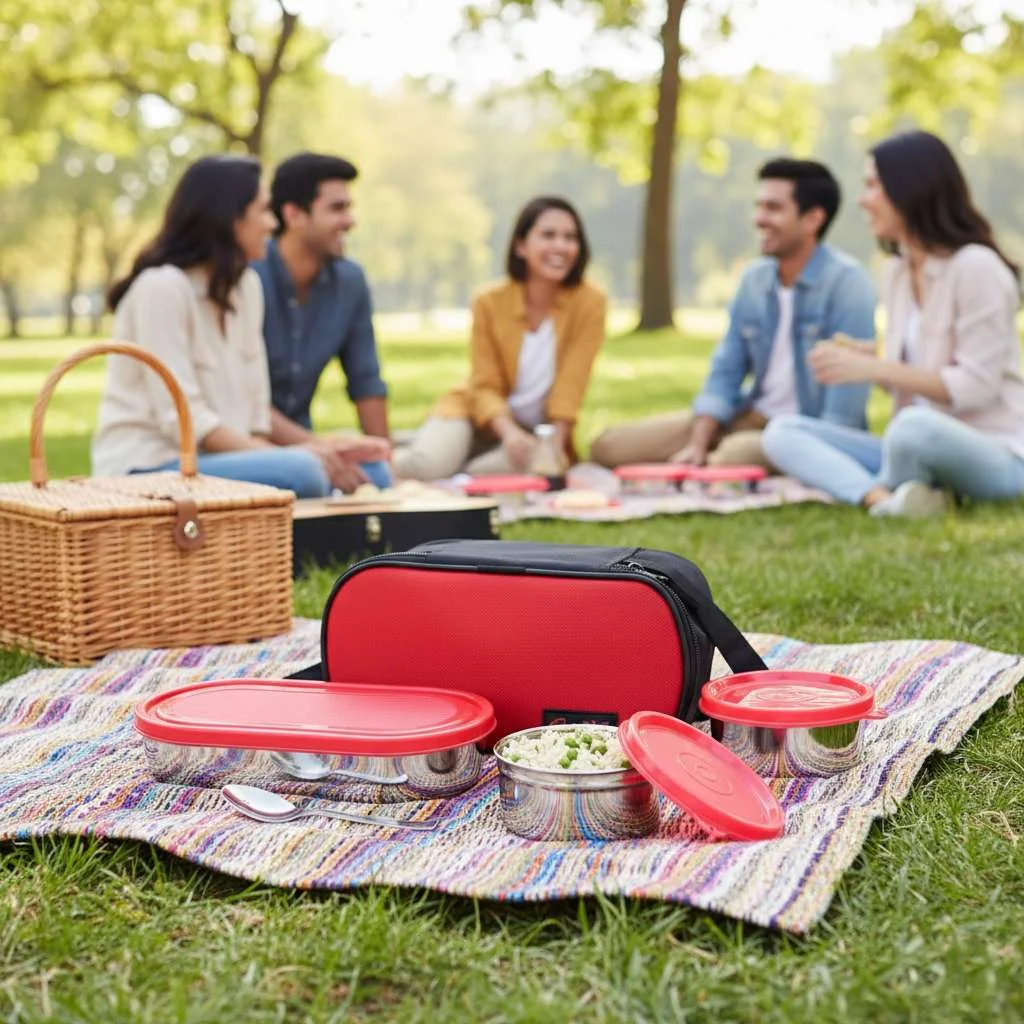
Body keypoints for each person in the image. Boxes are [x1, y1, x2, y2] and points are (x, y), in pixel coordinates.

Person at [92, 155, 389, 497]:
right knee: (305, 471)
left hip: (220, 462)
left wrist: (316, 453)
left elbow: (255, 411)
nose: (272, 224)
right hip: (152, 465)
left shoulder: (246, 287)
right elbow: (184, 420)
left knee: (373, 472)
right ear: (229, 217)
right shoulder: (161, 288)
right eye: (263, 211)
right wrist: (293, 458)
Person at [762, 130, 1024, 517]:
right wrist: (866, 362)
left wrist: (874, 368)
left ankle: (891, 486)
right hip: (916, 442)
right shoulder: (898, 270)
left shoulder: (976, 267)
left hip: (997, 452)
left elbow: (975, 387)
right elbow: (915, 376)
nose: (862, 200)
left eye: (873, 185)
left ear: (910, 189)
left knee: (912, 427)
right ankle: (881, 499)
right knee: (783, 432)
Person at [588, 159, 876, 470]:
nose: (758, 219)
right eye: (758, 207)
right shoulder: (755, 280)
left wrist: (822, 461)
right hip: (751, 416)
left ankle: (725, 457)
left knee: (731, 457)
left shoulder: (847, 283)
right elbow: (726, 369)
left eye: (773, 208)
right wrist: (698, 442)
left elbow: (843, 415)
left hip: (805, 432)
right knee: (608, 446)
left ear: (812, 219)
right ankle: (713, 452)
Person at [392, 196, 606, 480]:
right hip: (470, 414)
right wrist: (508, 433)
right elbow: (484, 384)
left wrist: (554, 445)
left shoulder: (590, 302)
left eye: (570, 237)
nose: (560, 246)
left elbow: (572, 384)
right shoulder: (489, 302)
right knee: (425, 467)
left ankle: (441, 451)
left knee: (491, 474)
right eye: (548, 235)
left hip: (532, 432)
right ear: (520, 246)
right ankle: (377, 452)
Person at [251, 152, 391, 488]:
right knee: (307, 472)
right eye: (337, 209)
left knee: (377, 474)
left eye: (349, 208)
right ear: (294, 215)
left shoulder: (350, 282)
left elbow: (366, 383)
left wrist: (385, 465)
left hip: (302, 443)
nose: (350, 221)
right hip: (246, 443)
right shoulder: (248, 278)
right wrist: (320, 448)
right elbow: (241, 403)